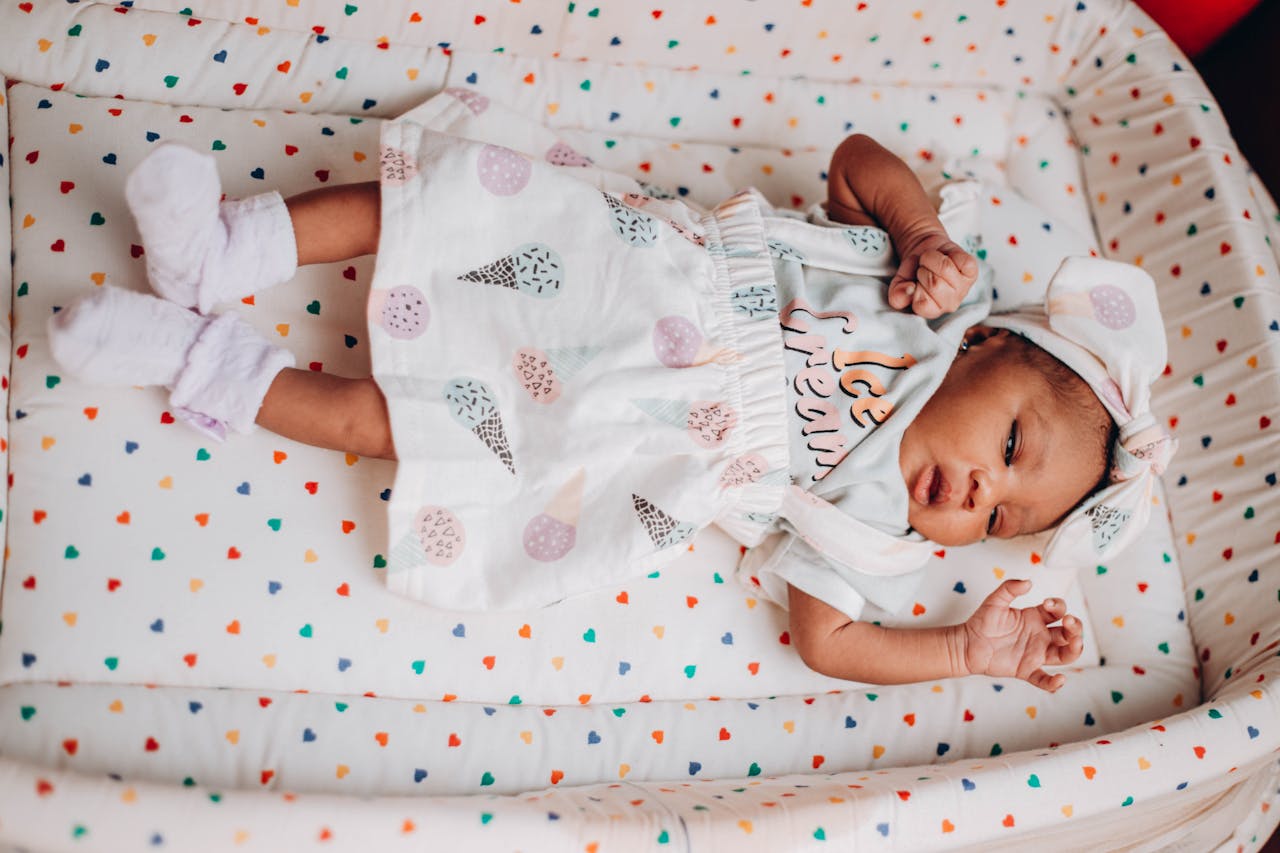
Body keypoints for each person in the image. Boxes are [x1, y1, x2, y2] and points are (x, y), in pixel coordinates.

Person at [47, 90, 1174, 694]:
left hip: (618, 431)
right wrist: (918, 225)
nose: (977, 493)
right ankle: (224, 254)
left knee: (398, 429)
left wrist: (958, 656)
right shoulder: (917, 295)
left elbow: (826, 643)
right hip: (628, 265)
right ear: (984, 346)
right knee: (442, 206)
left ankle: (187, 359)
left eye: (996, 521)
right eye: (1013, 450)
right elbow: (853, 157)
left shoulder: (876, 529)